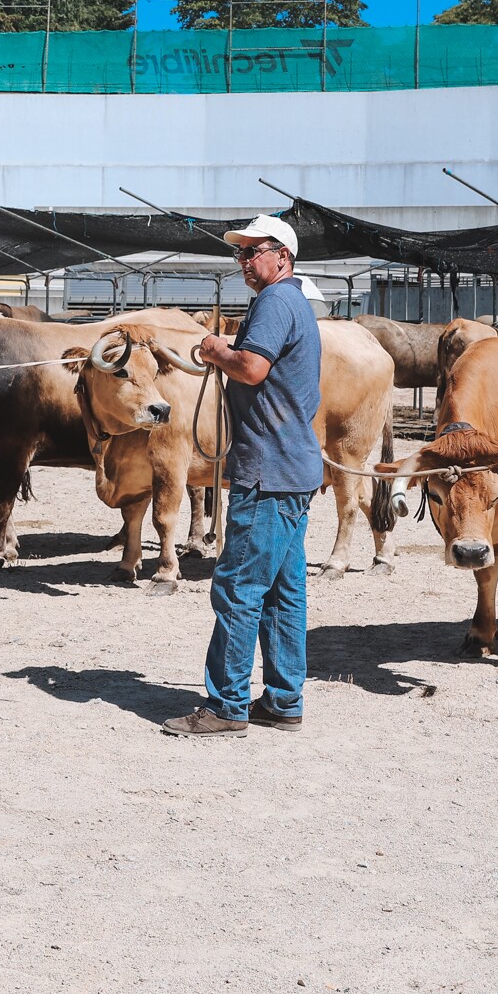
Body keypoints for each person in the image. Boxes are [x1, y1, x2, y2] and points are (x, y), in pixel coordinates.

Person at [163, 214, 323, 738]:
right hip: (292, 468)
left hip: (268, 471)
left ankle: (226, 706)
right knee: (283, 590)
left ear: (282, 256)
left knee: (237, 587)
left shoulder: (276, 302)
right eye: (241, 253)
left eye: (253, 251)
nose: (244, 261)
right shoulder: (291, 303)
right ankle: (282, 701)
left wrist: (215, 350)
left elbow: (252, 368)